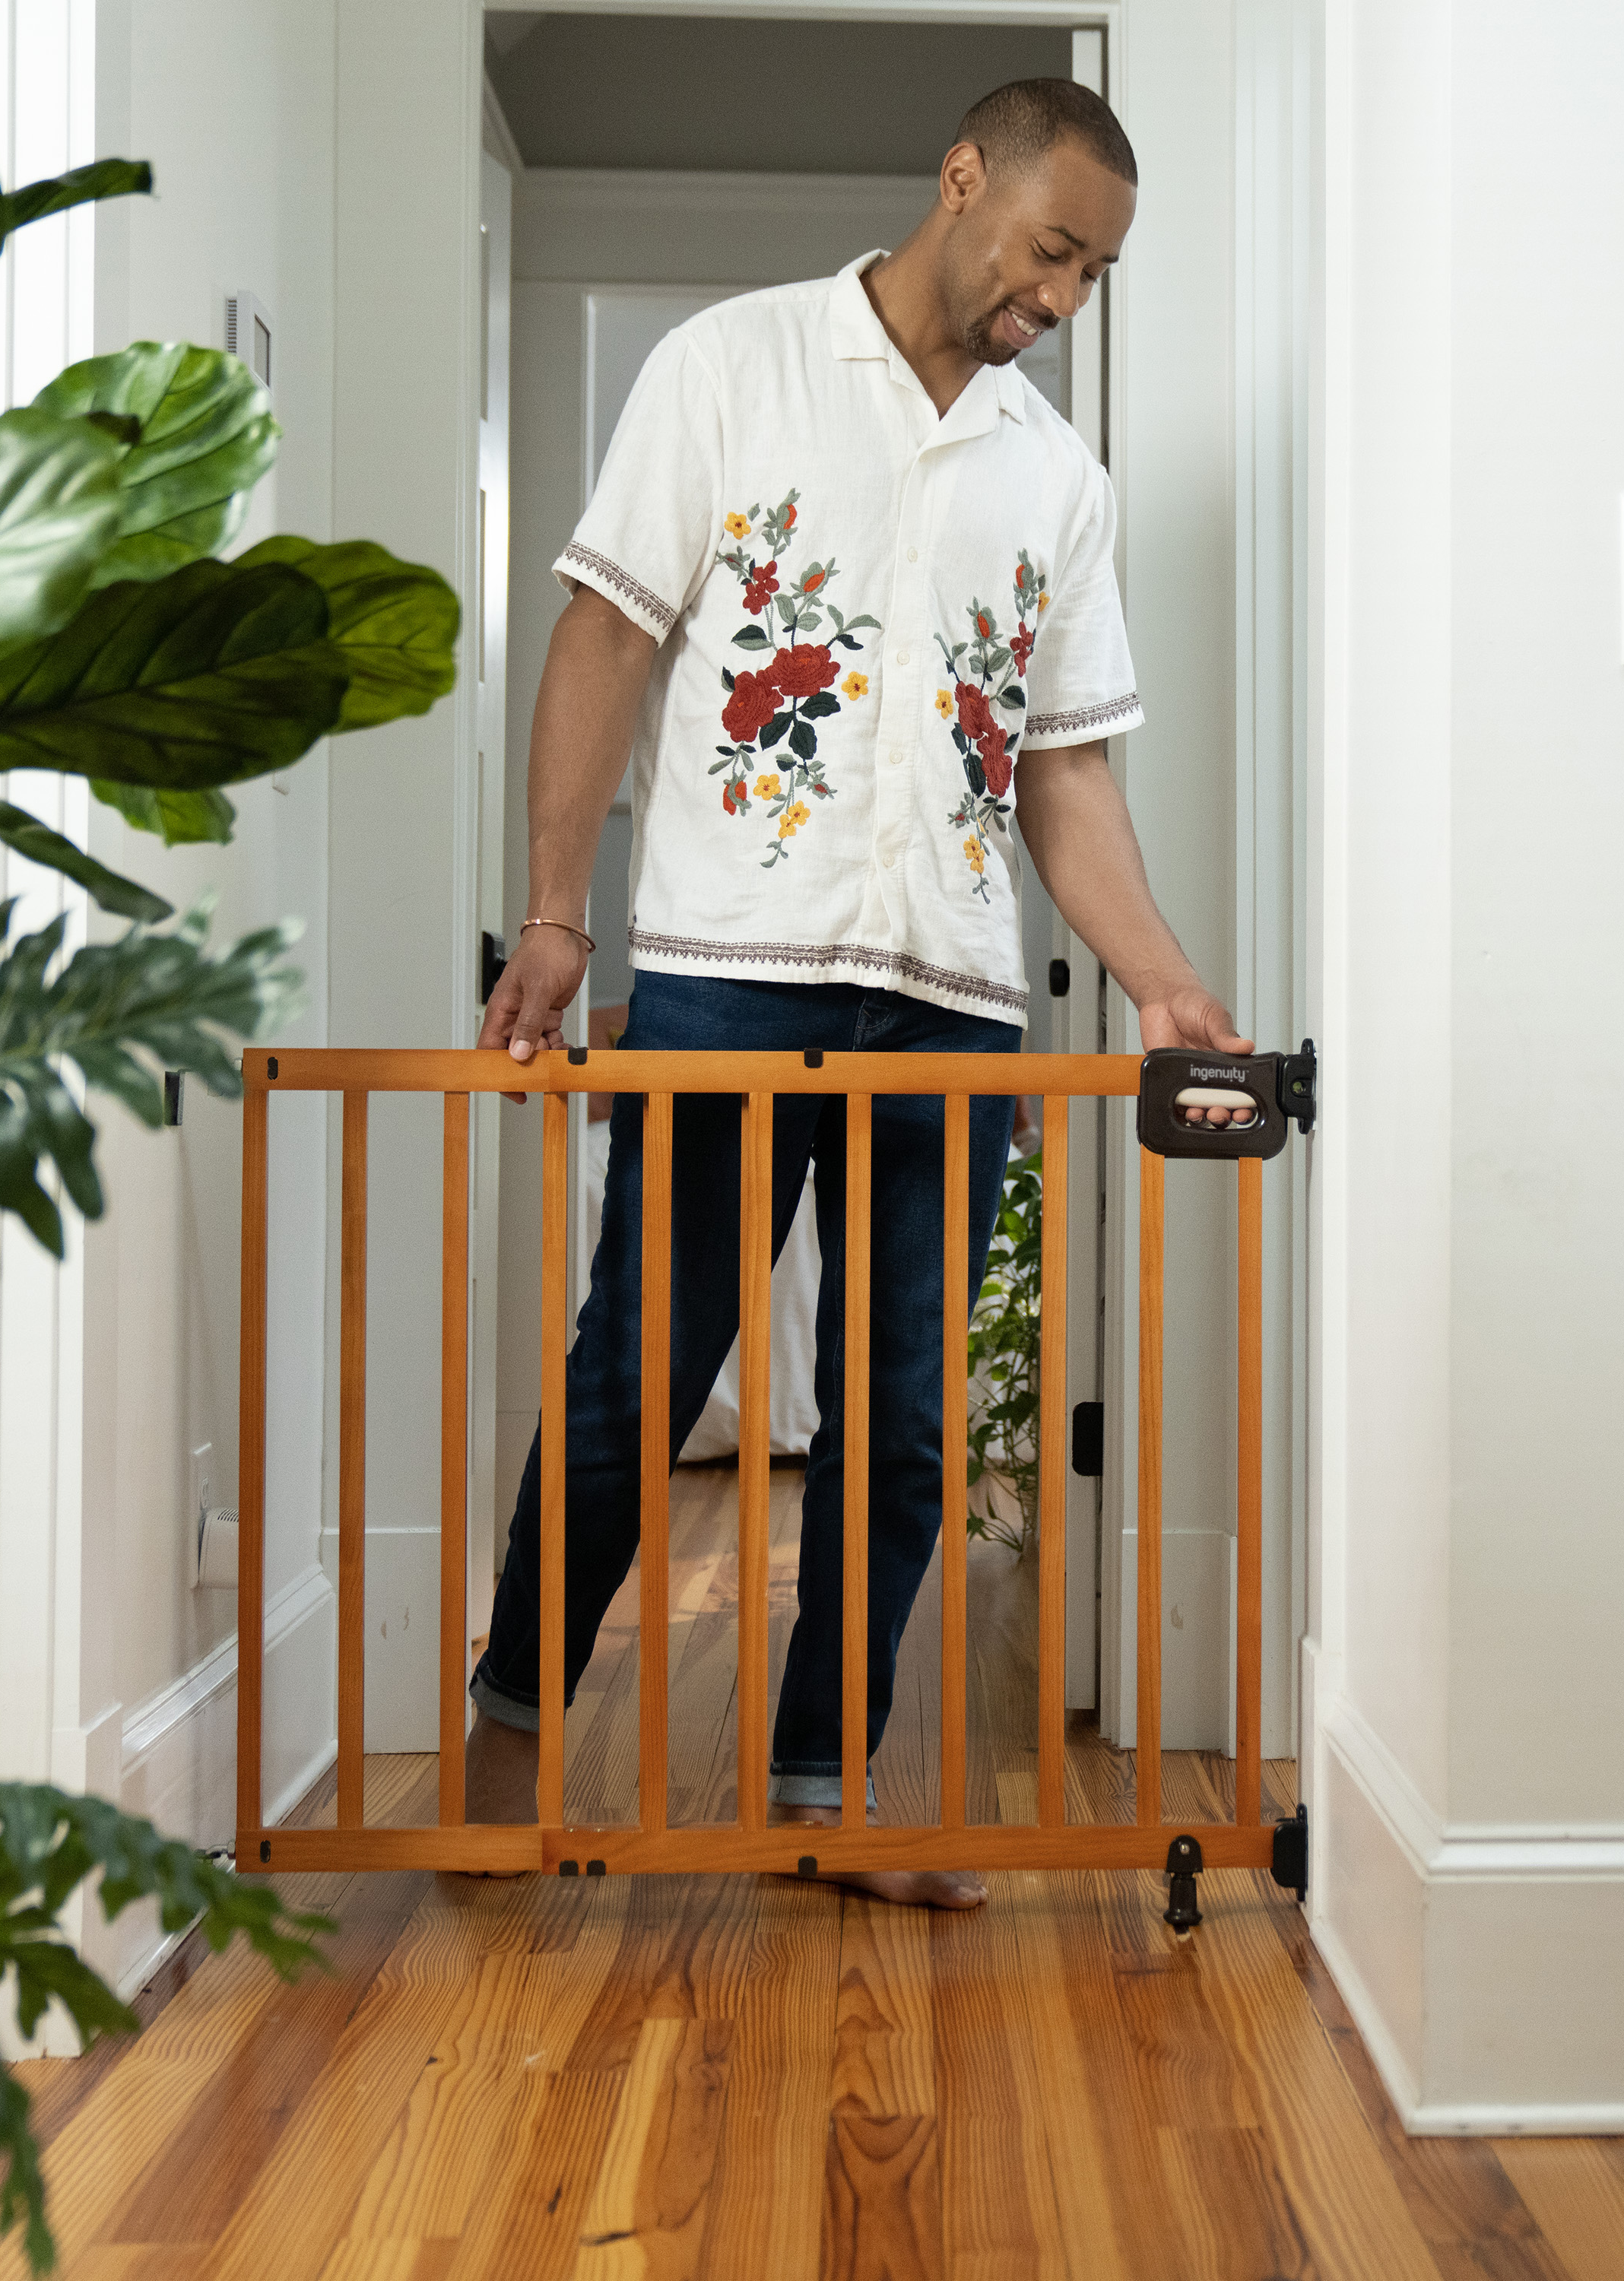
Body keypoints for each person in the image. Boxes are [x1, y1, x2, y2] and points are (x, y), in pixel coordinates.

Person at [468, 77, 1249, 1909]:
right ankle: (508, 1732)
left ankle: (824, 1794)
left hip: (953, 1001)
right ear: (963, 181)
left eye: (1095, 275)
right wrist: (558, 913)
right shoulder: (729, 370)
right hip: (728, 979)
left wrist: (1164, 981)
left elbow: (1063, 770)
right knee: (638, 1376)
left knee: (902, 1422)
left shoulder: (1058, 478)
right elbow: (605, 632)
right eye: (1052, 250)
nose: (1061, 298)